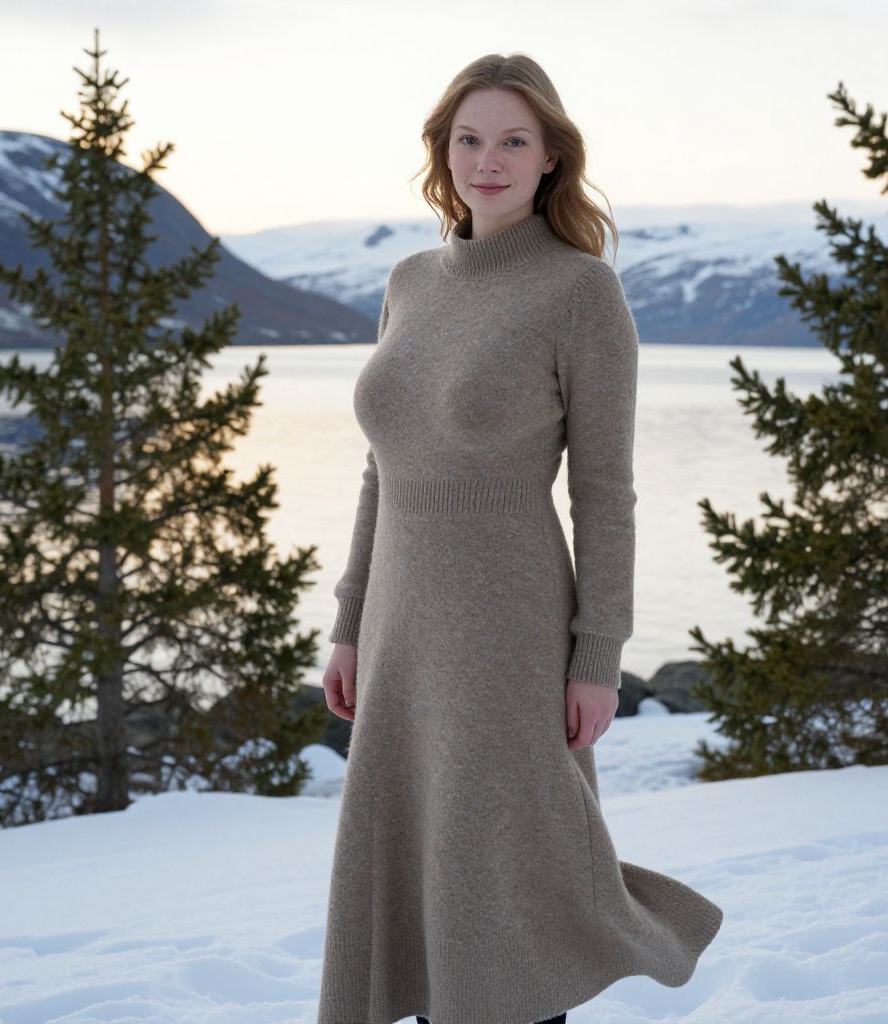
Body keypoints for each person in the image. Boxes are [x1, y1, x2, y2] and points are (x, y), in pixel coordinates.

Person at [316, 52, 724, 1024]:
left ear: (549, 160)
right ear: (442, 151)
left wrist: (597, 656)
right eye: (468, 139)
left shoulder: (581, 293)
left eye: (510, 141)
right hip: (398, 623)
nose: (485, 160)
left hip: (509, 628)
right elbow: (384, 469)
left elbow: (606, 495)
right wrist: (345, 623)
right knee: (414, 866)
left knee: (501, 879)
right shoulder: (408, 281)